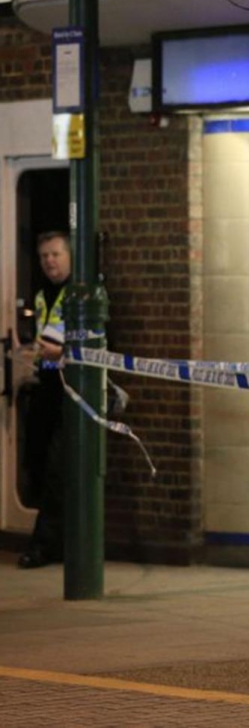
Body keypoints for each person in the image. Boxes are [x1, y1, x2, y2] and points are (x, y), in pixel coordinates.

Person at [17, 231, 72, 569]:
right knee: (37, 465)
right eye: (43, 257)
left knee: (56, 471)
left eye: (55, 254)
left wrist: (61, 354)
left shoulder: (78, 295)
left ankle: (45, 547)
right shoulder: (41, 296)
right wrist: (39, 356)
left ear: (69, 256)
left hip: (71, 393)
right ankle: (52, 542)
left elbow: (98, 346)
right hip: (47, 390)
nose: (49, 261)